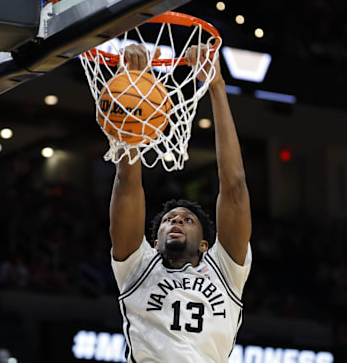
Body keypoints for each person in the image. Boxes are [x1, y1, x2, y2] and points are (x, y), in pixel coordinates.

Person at [108, 44, 252, 362]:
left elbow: (234, 187)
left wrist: (215, 85)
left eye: (186, 220)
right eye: (169, 220)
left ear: (204, 245)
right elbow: (128, 185)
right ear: (153, 240)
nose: (175, 221)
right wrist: (134, 88)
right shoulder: (137, 266)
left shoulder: (225, 270)